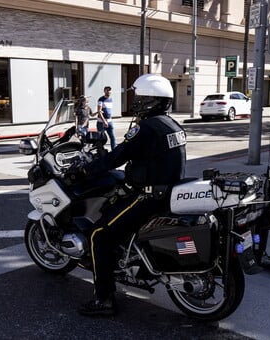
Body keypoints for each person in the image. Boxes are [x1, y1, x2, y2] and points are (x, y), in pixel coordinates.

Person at [73, 74, 187, 316]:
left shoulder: (146, 128)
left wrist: (85, 169)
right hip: (167, 193)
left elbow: (118, 156)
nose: (135, 101)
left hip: (148, 197)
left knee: (98, 234)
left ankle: (103, 300)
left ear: (150, 100)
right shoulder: (172, 124)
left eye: (139, 96)